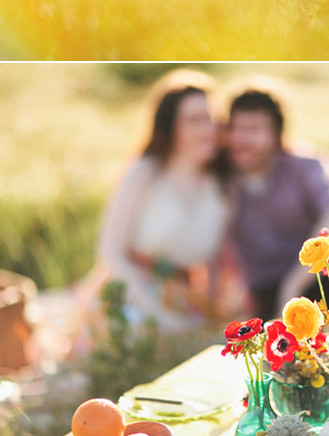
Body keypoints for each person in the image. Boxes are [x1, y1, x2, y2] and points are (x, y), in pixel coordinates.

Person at [86, 70, 233, 332]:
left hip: (186, 300)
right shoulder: (146, 171)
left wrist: (210, 311)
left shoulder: (222, 185)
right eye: (194, 120)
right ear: (171, 126)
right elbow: (110, 252)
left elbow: (213, 263)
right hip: (130, 290)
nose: (208, 129)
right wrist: (157, 314)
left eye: (212, 120)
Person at [226, 86, 329, 323]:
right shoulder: (222, 177)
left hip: (322, 280)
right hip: (266, 296)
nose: (241, 139)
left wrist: (294, 283)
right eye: (235, 128)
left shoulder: (305, 165)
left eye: (254, 129)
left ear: (276, 135)